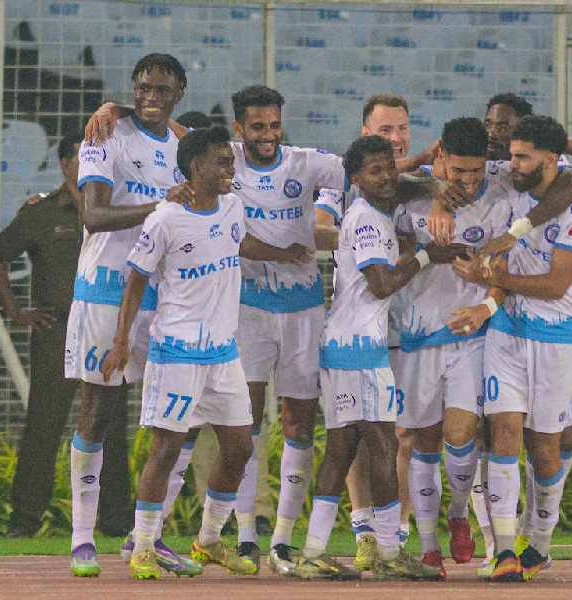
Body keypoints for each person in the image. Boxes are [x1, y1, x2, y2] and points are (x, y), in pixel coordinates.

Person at [80, 88, 445, 576]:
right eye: (257, 127)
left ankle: (260, 541)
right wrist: (117, 109)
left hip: (264, 329)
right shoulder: (177, 204)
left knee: (268, 433)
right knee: (181, 438)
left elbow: (369, 175)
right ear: (236, 134)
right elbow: (138, 273)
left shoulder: (264, 185)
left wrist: (434, 182)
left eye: (275, 125)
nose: (268, 135)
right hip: (206, 335)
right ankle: (153, 539)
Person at [100, 125, 306, 580]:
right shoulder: (165, 219)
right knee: (166, 449)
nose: (230, 167)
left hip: (222, 354)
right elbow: (135, 278)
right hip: (176, 354)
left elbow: (239, 243)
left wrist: (281, 253)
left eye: (230, 161)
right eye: (221, 161)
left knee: (238, 447)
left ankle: (209, 540)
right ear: (195, 168)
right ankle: (145, 546)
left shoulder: (233, 207)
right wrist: (121, 341)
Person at [291, 136, 455, 581]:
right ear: (356, 179)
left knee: (343, 449)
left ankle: (312, 551)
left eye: (389, 168)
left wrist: (434, 187)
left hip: (352, 346)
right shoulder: (365, 219)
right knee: (381, 443)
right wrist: (426, 254)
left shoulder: (375, 209)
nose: (385, 177)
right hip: (356, 351)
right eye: (375, 171)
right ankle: (386, 551)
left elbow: (415, 183)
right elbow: (381, 284)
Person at [455, 115, 572, 582]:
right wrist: (490, 303)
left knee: (545, 450)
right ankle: (502, 550)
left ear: (551, 158)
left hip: (558, 340)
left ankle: (538, 541)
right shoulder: (511, 193)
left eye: (522, 156)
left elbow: (556, 285)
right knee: (503, 434)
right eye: (511, 154)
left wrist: (493, 279)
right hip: (509, 335)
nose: (510, 163)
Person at [65, 53, 188, 578]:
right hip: (104, 292)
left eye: (161, 88)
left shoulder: (185, 146)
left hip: (162, 300)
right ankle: (81, 538)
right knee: (98, 409)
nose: (150, 97)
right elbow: (93, 215)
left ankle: (147, 536)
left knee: (174, 418)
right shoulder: (105, 133)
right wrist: (161, 206)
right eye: (142, 88)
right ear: (131, 90)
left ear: (180, 91)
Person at [0, 132, 131, 538]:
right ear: (65, 164)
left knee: (112, 426)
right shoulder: (42, 212)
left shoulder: (119, 209)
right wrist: (14, 310)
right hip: (58, 329)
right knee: (44, 426)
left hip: (105, 327)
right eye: (83, 159)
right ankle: (23, 521)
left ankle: (118, 522)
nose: (91, 168)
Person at [392, 117, 512, 578]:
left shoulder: (500, 199)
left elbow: (503, 268)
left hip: (470, 336)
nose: (467, 181)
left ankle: (459, 514)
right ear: (439, 156)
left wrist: (486, 304)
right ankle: (427, 547)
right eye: (457, 170)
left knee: (460, 435)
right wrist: (435, 195)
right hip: (417, 337)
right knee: (421, 441)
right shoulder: (410, 195)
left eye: (475, 172)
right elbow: (367, 182)